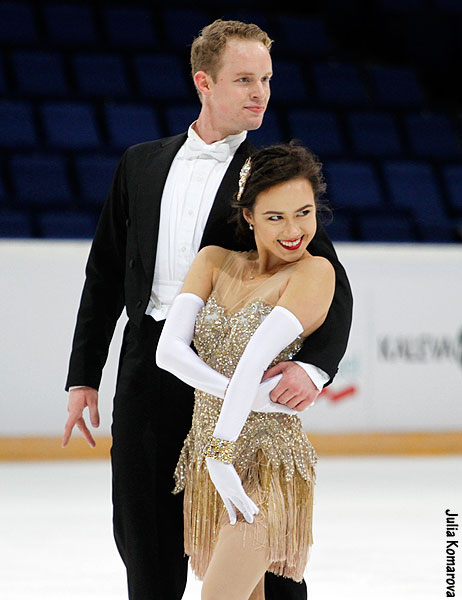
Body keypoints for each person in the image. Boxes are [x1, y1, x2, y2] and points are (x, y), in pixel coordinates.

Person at [62, 19, 353, 600]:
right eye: (245, 79)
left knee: (258, 541)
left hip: (232, 365)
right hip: (149, 365)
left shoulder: (269, 173)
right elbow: (104, 275)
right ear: (204, 82)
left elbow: (331, 280)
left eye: (266, 79)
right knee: (143, 530)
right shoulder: (140, 164)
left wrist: (315, 366)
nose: (261, 93)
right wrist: (83, 377)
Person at [156, 142, 337, 600]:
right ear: (250, 215)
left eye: (304, 212)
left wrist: (222, 450)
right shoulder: (214, 261)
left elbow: (256, 358)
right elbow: (168, 351)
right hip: (209, 460)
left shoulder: (314, 272)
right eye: (275, 216)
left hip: (269, 462)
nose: (294, 230)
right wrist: (235, 402)